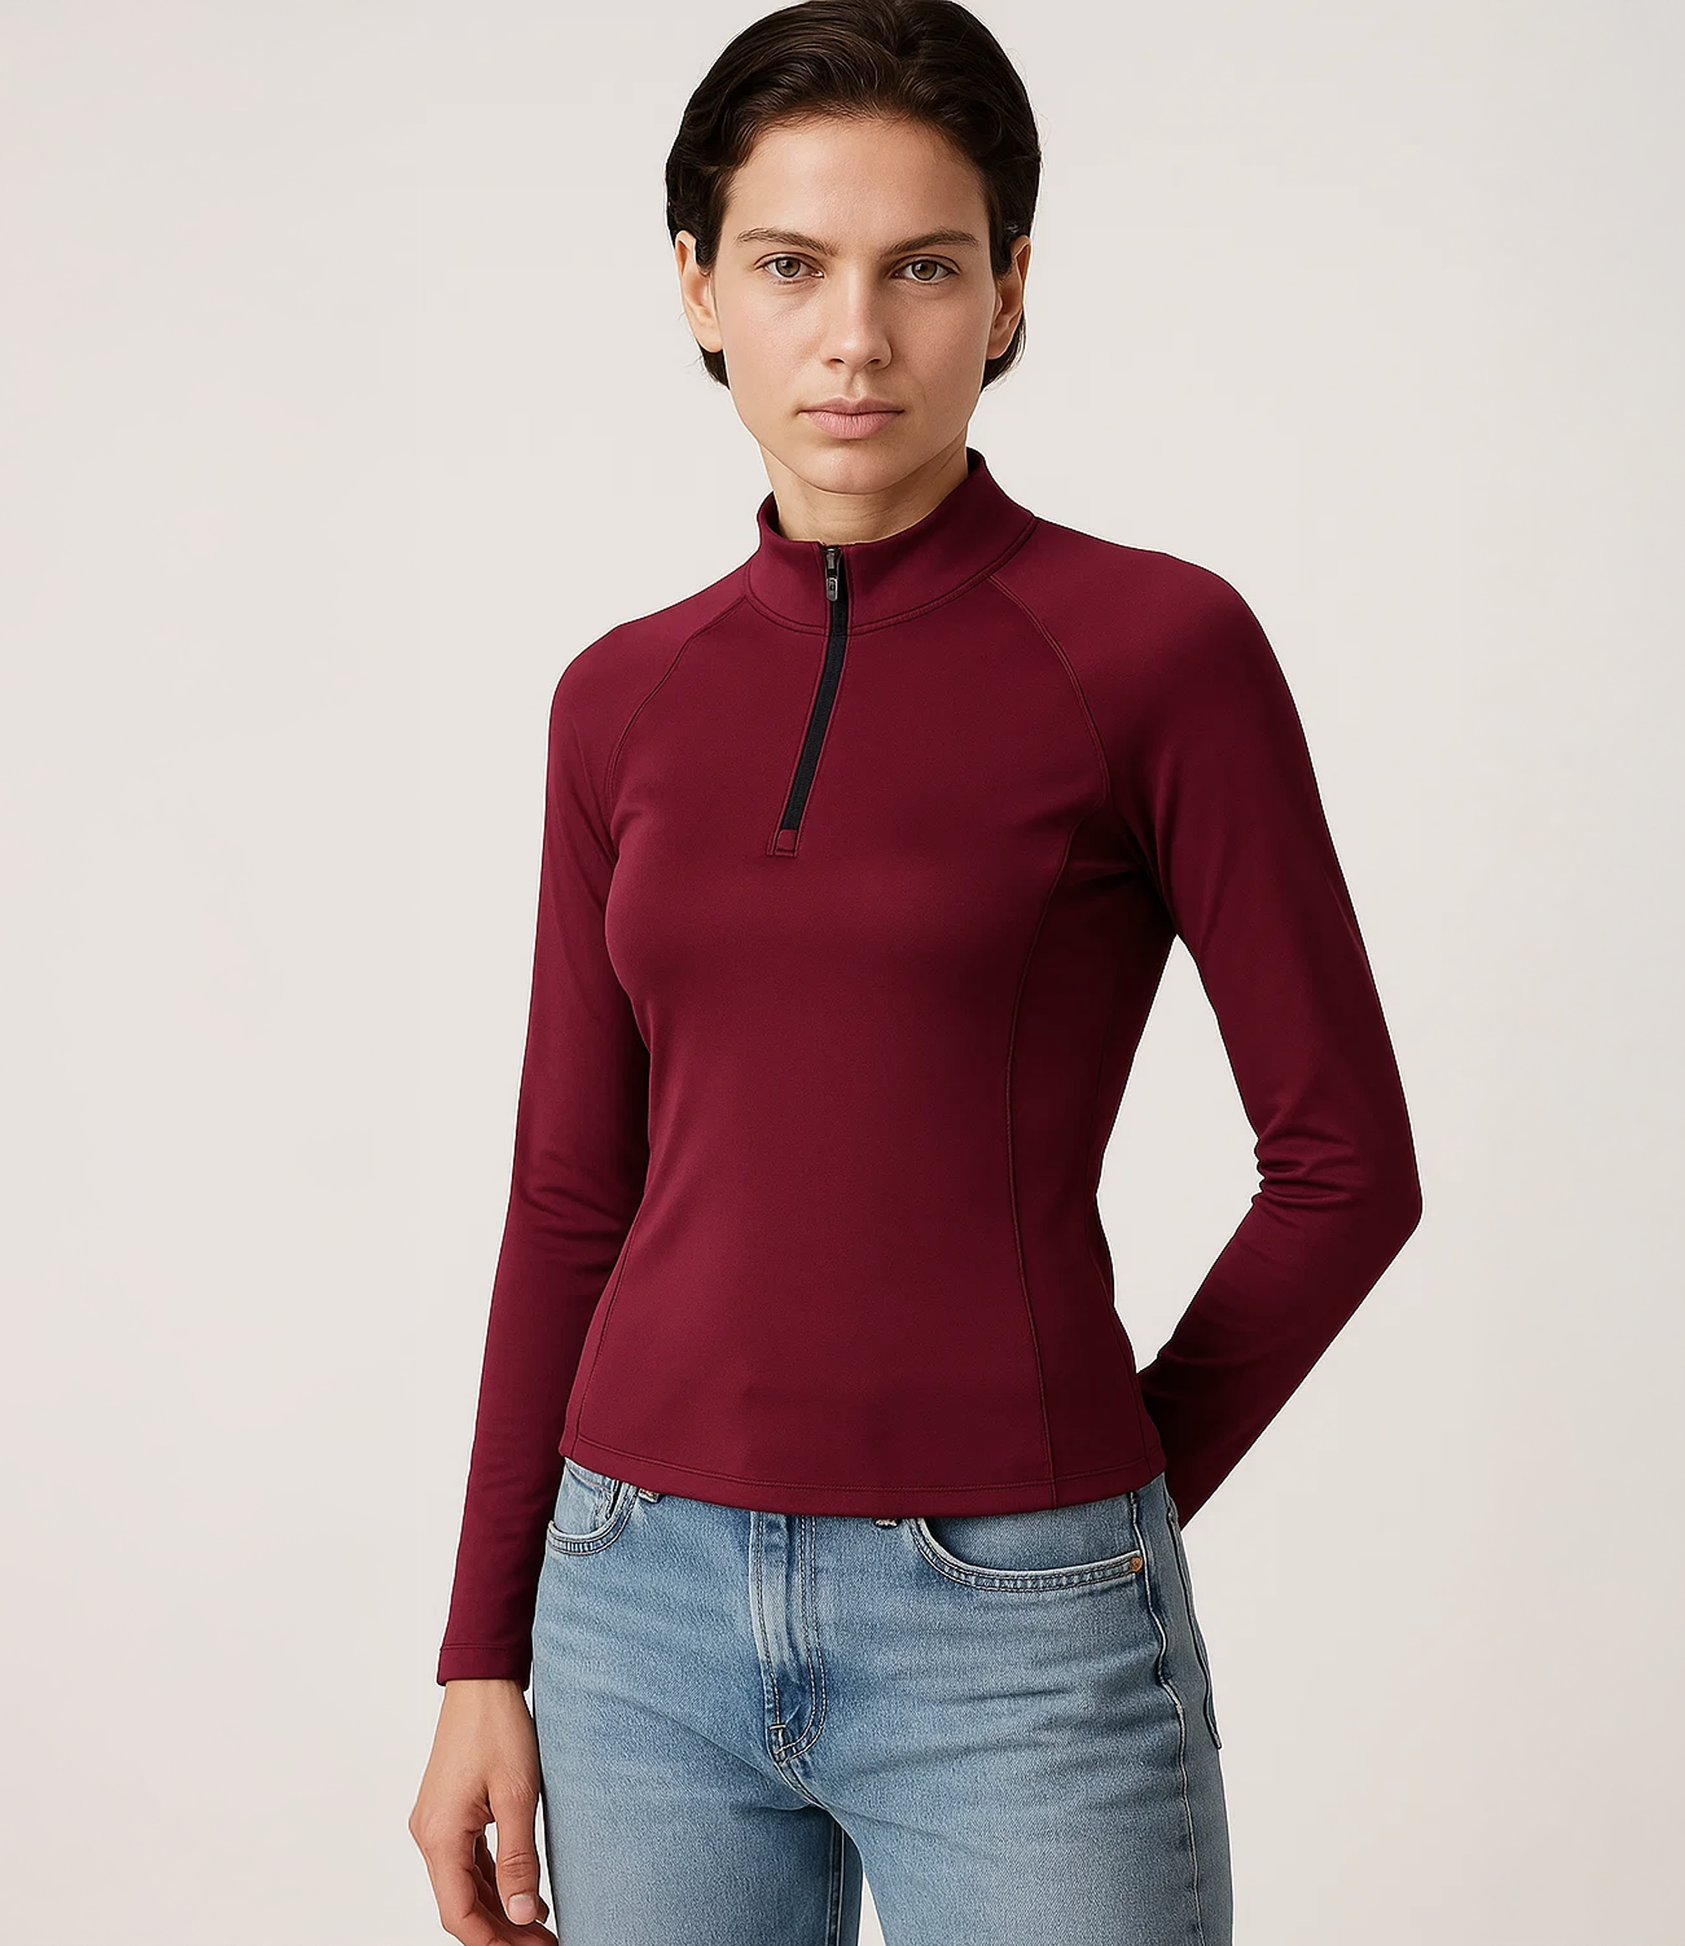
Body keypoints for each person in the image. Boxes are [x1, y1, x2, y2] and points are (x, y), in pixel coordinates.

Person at [408, 2, 1422, 1940]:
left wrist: (1101, 1499)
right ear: (699, 287)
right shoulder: (619, 698)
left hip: (1019, 1635)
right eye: (791, 266)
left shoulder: (1156, 651)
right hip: (632, 1609)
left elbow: (1346, 1166)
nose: (854, 337)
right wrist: (481, 1648)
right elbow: (569, 1191)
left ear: (1009, 289)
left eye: (924, 267)